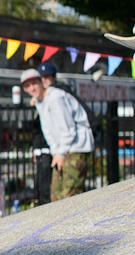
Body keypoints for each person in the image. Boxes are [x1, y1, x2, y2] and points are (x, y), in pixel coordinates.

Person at [26, 63, 95, 201]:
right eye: (28, 86)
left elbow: (68, 129)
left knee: (69, 195)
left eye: (46, 77)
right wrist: (56, 152)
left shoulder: (57, 96)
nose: (43, 81)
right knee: (56, 196)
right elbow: (48, 131)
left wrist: (61, 152)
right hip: (62, 150)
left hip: (75, 147)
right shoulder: (41, 102)